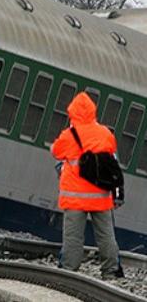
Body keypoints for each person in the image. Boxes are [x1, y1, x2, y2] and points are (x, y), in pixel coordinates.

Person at [51, 92, 124, 279]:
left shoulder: (69, 135)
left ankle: (69, 271)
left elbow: (56, 151)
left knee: (74, 238)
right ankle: (111, 271)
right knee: (106, 236)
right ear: (93, 112)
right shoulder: (106, 133)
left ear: (72, 113)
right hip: (100, 198)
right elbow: (113, 161)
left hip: (75, 198)